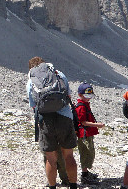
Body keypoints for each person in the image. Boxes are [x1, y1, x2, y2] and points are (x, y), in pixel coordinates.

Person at [26, 57, 79, 189]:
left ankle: (52, 186)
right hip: (65, 117)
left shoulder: (31, 81)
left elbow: (33, 106)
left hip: (46, 121)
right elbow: (68, 96)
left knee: (50, 158)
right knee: (69, 156)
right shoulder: (58, 74)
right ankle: (73, 185)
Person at [75, 83, 105, 185]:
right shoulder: (81, 107)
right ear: (80, 95)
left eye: (90, 97)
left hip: (87, 133)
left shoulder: (85, 104)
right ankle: (84, 175)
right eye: (86, 97)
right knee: (86, 152)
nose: (88, 99)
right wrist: (97, 125)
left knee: (90, 152)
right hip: (84, 134)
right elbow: (83, 122)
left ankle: (86, 172)